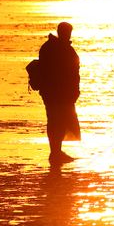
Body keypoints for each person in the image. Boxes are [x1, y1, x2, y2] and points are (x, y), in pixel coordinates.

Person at [38, 21, 81, 164]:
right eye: (67, 32)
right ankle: (55, 153)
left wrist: (75, 91)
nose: (68, 35)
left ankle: (56, 152)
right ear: (60, 32)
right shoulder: (58, 49)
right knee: (57, 122)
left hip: (55, 93)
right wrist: (74, 91)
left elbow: (74, 73)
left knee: (57, 122)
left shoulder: (48, 47)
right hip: (57, 94)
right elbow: (73, 73)